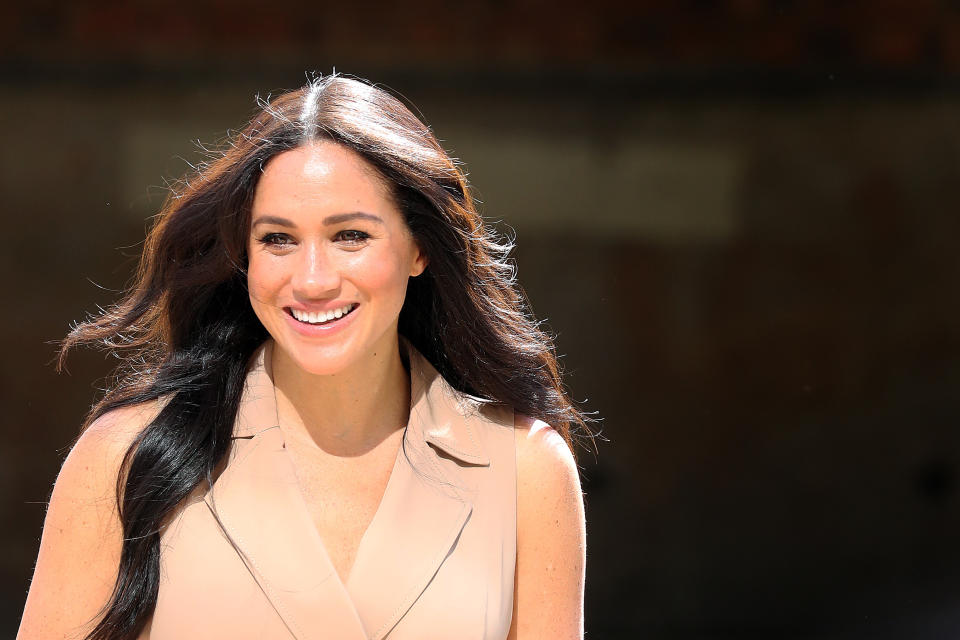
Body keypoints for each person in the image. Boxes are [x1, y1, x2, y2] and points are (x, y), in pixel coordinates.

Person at [17, 73, 590, 640]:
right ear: (244, 257)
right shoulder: (127, 456)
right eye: (278, 240)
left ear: (418, 249)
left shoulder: (526, 472)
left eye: (350, 236)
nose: (312, 280)